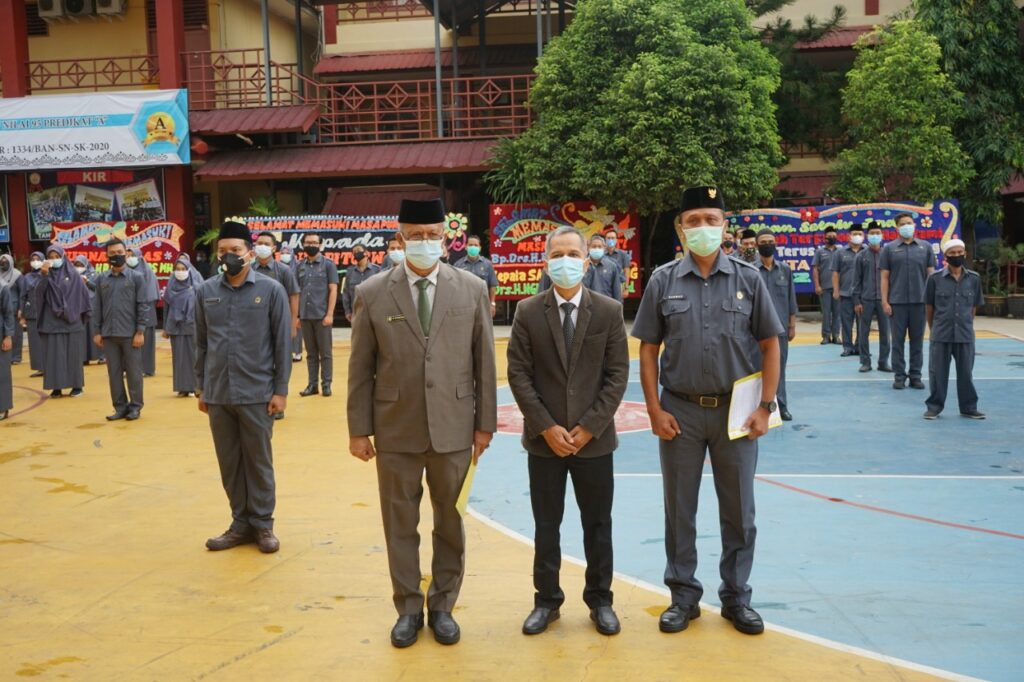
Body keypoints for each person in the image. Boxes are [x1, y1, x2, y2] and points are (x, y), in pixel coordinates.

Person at [632, 186, 782, 637]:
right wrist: (654, 409)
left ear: (724, 225)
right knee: (680, 510)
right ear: (681, 228)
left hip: (737, 413)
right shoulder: (663, 281)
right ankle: (683, 596)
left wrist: (766, 406)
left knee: (739, 511)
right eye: (693, 220)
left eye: (711, 220)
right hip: (680, 411)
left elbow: (770, 343)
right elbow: (647, 349)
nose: (702, 228)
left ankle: (736, 597)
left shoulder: (748, 279)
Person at [347, 198, 497, 649]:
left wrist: (484, 425)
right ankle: (409, 608)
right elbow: (361, 368)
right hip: (396, 429)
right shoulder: (373, 292)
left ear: (445, 238)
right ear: (400, 238)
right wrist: (358, 429)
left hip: (455, 427)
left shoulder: (471, 288)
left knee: (450, 522)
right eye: (415, 235)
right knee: (400, 523)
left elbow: (485, 362)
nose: (425, 242)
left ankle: (444, 605)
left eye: (433, 234)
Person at [507, 225, 629, 637]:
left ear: (586, 261)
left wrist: (589, 427)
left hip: (594, 442)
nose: (566, 261)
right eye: (557, 254)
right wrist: (546, 427)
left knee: (598, 525)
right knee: (546, 526)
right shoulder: (527, 312)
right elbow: (519, 375)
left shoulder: (608, 311)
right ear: (546, 262)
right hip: (546, 444)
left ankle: (600, 600)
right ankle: (547, 601)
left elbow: (617, 375)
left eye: (573, 254)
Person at [195, 218, 292, 554]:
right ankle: (240, 523)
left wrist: (280, 390)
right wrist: (201, 388)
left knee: (258, 461)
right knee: (230, 462)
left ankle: (263, 524)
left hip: (257, 393)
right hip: (219, 392)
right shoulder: (206, 292)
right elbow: (201, 343)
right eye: (223, 250)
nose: (229, 256)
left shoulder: (271, 290)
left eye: (235, 249)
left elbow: (282, 344)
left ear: (249, 252)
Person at [923, 240, 985, 420]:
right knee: (937, 373)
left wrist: (967, 325)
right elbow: (929, 308)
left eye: (960, 252)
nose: (957, 255)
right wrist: (934, 329)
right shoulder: (934, 279)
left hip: (965, 335)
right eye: (953, 253)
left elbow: (973, 307)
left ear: (965, 254)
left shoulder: (974, 279)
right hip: (941, 334)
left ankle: (968, 407)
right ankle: (934, 407)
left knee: (966, 373)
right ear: (946, 256)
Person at [93, 238, 148, 421]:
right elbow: (97, 307)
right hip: (109, 334)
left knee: (134, 373)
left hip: (130, 334)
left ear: (125, 253)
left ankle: (135, 407)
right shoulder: (101, 279)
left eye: (119, 252)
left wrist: (140, 331)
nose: (116, 256)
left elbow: (143, 305)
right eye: (112, 253)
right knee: (114, 374)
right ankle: (120, 407)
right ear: (106, 256)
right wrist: (97, 331)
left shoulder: (136, 277)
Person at [881, 213, 935, 390]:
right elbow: (884, 277)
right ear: (897, 227)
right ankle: (899, 376)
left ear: (914, 225)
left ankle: (915, 376)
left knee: (917, 342)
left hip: (920, 302)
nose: (906, 226)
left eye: (909, 223)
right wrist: (885, 301)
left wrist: (932, 301)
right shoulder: (889, 249)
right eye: (903, 224)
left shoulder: (925, 247)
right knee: (897, 342)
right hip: (897, 303)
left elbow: (932, 276)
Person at [253, 233, 301, 414]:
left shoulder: (284, 271)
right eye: (259, 243)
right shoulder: (249, 269)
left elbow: (294, 296)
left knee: (280, 363)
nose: (262, 246)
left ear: (274, 248)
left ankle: (278, 404)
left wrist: (293, 324)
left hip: (280, 325)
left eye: (266, 244)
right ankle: (259, 402)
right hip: (256, 327)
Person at [35, 246, 90, 398]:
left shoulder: (74, 274)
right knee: (53, 357)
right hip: (51, 322)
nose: (54, 259)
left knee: (73, 355)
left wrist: (73, 311)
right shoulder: (44, 275)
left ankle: (77, 386)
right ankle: (56, 387)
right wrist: (44, 276)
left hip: (72, 321)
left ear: (63, 257)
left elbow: (83, 295)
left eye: (57, 256)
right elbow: (39, 295)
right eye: (51, 257)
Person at [756, 229, 797, 421]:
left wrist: (792, 325)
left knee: (779, 368)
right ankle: (757, 405)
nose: (767, 245)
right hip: (755, 330)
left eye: (770, 241)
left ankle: (781, 406)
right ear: (757, 245)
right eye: (763, 242)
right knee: (755, 369)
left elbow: (791, 298)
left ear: (776, 243)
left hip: (779, 329)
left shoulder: (785, 270)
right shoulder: (750, 270)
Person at [296, 233, 339, 397]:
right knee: (311, 354)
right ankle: (312, 385)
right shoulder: (300, 266)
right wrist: (297, 316)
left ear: (320, 245)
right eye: (308, 242)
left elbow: (333, 290)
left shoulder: (328, 265)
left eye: (314, 242)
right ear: (303, 245)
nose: (311, 245)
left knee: (325, 353)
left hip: (322, 316)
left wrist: (330, 314)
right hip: (305, 316)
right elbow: (297, 292)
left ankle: (326, 384)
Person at [853, 222, 892, 373]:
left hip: (884, 300)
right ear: (867, 236)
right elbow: (856, 280)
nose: (875, 235)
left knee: (885, 332)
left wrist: (889, 300)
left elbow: (892, 278)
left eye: (877, 233)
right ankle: (865, 362)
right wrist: (857, 301)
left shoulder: (887, 254)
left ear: (882, 235)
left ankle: (883, 362)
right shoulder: (861, 256)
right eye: (872, 233)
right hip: (866, 300)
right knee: (863, 332)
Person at [162, 255, 202, 398]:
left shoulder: (197, 288)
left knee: (193, 357)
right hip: (175, 327)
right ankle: (182, 387)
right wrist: (166, 328)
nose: (180, 272)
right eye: (177, 269)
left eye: (183, 269)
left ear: (189, 270)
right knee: (178, 359)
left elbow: (202, 309)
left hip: (192, 327)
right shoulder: (171, 287)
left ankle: (194, 387)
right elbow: (166, 308)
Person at [832, 224, 864, 357]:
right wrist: (836, 290)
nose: (857, 236)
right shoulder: (840, 253)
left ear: (863, 236)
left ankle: (860, 347)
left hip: (863, 294)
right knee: (846, 322)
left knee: (862, 323)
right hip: (845, 293)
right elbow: (835, 272)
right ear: (849, 236)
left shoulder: (867, 251)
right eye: (855, 234)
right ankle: (847, 347)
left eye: (860, 234)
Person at [127, 247, 160, 377]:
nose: (130, 258)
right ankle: (133, 369)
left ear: (140, 257)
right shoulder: (127, 271)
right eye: (128, 256)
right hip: (131, 312)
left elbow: (151, 294)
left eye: (132, 255)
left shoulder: (147, 272)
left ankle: (147, 368)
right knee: (131, 342)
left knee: (147, 342)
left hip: (148, 311)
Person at [452, 235, 498, 317]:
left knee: (483, 325)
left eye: (476, 245)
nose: (473, 247)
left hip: (482, 304)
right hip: (464, 305)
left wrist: (492, 304)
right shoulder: (458, 265)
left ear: (480, 248)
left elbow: (493, 285)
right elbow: (454, 286)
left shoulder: (487, 264)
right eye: (470, 245)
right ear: (466, 247)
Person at [74, 255, 105, 365]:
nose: (78, 267)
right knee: (82, 334)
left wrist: (87, 282)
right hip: (79, 308)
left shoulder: (94, 275)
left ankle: (102, 356)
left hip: (92, 307)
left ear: (86, 264)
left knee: (94, 331)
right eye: (76, 265)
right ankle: (84, 357)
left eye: (81, 265)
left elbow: (98, 289)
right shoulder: (72, 275)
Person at [19, 252, 46, 376]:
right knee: (35, 343)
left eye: (38, 259)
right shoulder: (27, 277)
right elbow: (23, 296)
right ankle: (40, 368)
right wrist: (22, 313)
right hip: (31, 314)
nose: (35, 262)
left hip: (45, 313)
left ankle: (50, 367)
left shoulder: (47, 274)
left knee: (47, 341)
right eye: (33, 259)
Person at [813, 226, 840, 345]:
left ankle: (836, 336)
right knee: (826, 313)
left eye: (834, 236)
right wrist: (817, 285)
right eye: (829, 236)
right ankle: (826, 336)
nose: (832, 238)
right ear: (825, 238)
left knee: (837, 313)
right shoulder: (820, 251)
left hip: (838, 288)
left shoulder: (840, 251)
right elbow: (815, 269)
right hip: (824, 287)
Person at [341, 243, 381, 323]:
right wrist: (347, 311)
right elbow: (346, 293)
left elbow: (382, 292)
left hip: (374, 312)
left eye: (358, 250)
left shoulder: (377, 270)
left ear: (366, 253)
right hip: (356, 313)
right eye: (354, 252)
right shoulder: (350, 271)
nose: (356, 253)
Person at [582, 234, 623, 303]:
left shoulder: (611, 266)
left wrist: (619, 306)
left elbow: (617, 290)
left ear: (604, 248)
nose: (596, 249)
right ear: (588, 248)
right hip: (586, 305)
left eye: (599, 247)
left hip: (606, 305)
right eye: (594, 246)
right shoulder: (581, 265)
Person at [279, 244, 303, 362]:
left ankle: (297, 352)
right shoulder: (277, 266)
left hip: (295, 299)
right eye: (282, 253)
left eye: (287, 253)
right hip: (281, 299)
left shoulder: (298, 267)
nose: (285, 255)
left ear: (292, 254)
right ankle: (284, 351)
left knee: (296, 326)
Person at [0, 254, 24, 365]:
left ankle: (16, 357)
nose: (3, 263)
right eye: (2, 261)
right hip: (3, 309)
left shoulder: (17, 275)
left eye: (6, 261)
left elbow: (22, 292)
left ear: (11, 262)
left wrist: (21, 308)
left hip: (15, 309)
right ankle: (7, 357)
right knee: (4, 335)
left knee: (16, 335)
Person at [0, 280, 14, 420]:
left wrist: (8, 336)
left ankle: (2, 407)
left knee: (2, 372)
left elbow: (8, 313)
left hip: (1, 335)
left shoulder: (2, 287)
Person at [603, 226, 631, 295]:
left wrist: (626, 288)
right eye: (608, 238)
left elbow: (626, 272)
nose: (610, 240)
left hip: (619, 286)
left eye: (613, 238)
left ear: (616, 240)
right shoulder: (601, 255)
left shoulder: (623, 254)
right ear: (605, 240)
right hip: (603, 287)